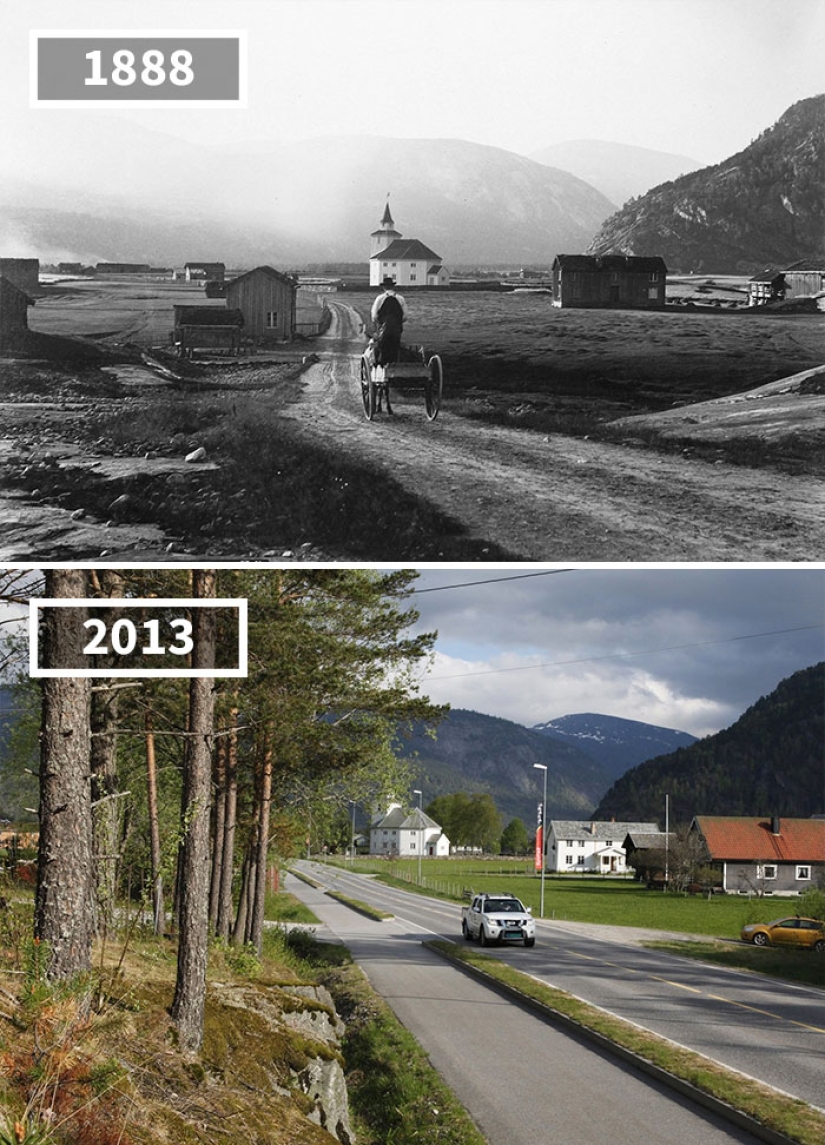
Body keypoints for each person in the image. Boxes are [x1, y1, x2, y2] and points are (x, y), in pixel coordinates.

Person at [370, 276, 408, 365]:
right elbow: (405, 316)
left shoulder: (379, 298)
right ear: (393, 287)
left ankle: (382, 367)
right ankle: (394, 366)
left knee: (383, 350)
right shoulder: (401, 298)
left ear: (383, 287)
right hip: (396, 331)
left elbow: (374, 316)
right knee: (394, 350)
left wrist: (378, 326)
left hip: (383, 330)